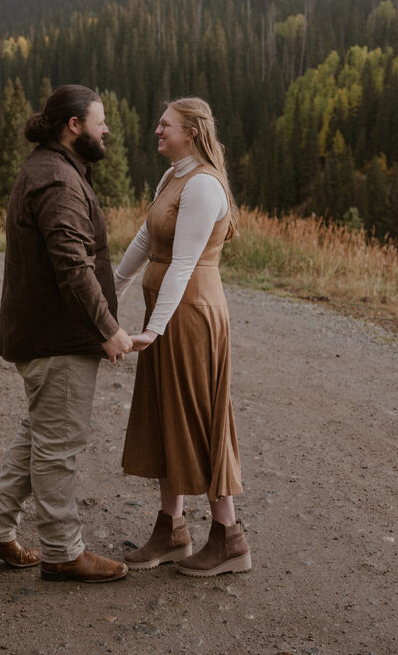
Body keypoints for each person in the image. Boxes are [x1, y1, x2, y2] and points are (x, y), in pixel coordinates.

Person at [0, 84, 133, 583]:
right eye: (100, 122)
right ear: (74, 126)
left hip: (47, 336)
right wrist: (108, 328)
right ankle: (63, 551)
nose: (106, 130)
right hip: (58, 339)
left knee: (41, 432)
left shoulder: (50, 168)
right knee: (59, 443)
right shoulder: (58, 180)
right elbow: (71, 265)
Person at [114, 96, 251, 577]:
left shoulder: (204, 188)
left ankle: (229, 536)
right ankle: (171, 529)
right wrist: (113, 290)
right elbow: (147, 239)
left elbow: (184, 263)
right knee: (164, 411)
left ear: (191, 131)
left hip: (191, 314)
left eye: (165, 124)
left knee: (198, 413)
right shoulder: (173, 177)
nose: (157, 130)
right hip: (169, 311)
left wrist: (155, 327)